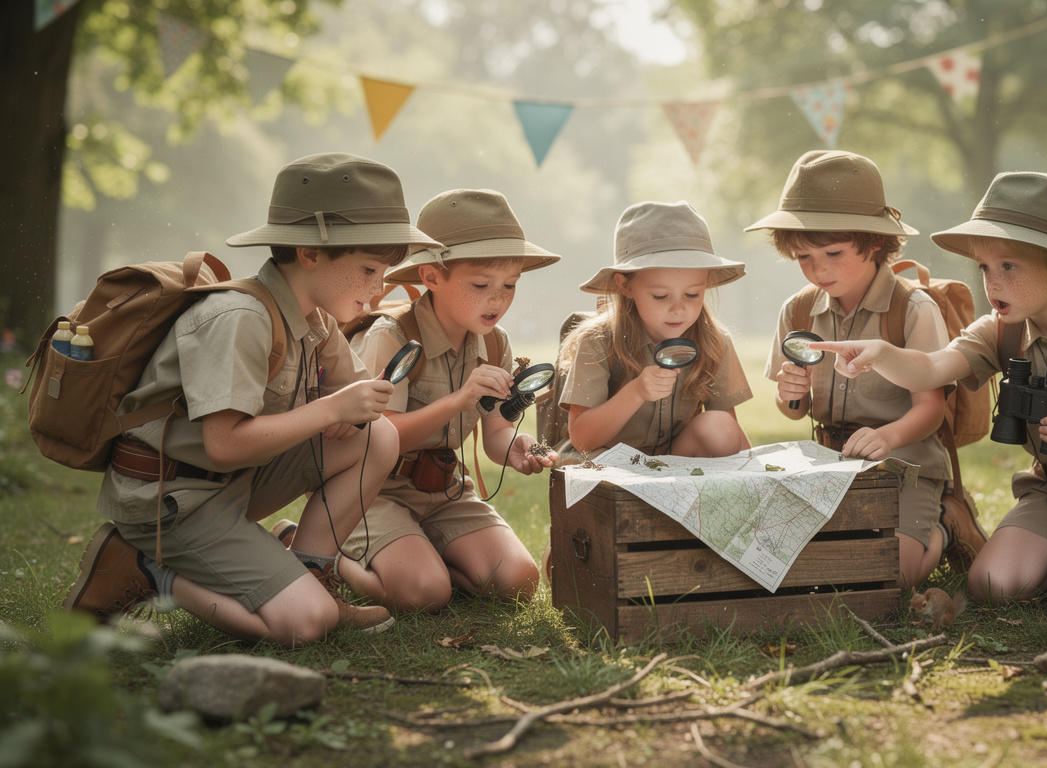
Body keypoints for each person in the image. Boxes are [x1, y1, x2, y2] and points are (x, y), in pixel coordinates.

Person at [63, 153, 442, 645]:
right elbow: (222, 444)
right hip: (173, 500)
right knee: (306, 626)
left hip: (234, 484)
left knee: (379, 438)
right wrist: (332, 409)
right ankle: (142, 568)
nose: (377, 290)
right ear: (310, 254)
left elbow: (361, 410)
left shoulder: (316, 320)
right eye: (369, 269)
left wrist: (355, 409)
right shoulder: (239, 316)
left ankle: (311, 571)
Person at [812, 171, 1047, 613]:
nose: (992, 283)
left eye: (1009, 266)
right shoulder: (1000, 332)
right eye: (985, 268)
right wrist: (881, 352)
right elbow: (932, 368)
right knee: (990, 585)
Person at [314, 189, 558, 612]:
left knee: (518, 581)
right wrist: (459, 399)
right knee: (423, 593)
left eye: (510, 285)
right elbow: (379, 437)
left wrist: (514, 450)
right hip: (374, 491)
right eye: (481, 284)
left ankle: (421, 554)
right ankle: (318, 554)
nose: (498, 299)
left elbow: (495, 433)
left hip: (444, 489)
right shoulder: (392, 337)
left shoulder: (495, 343)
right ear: (430, 277)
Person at [747, 149, 970, 589]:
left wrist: (887, 437)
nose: (818, 270)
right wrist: (790, 393)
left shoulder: (911, 308)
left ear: (874, 241)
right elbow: (793, 410)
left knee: (893, 577)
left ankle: (944, 524)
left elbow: (932, 409)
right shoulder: (798, 311)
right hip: (831, 461)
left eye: (832, 252)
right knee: (808, 566)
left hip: (905, 460)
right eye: (803, 257)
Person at [556, 200, 752, 462]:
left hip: (676, 464)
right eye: (661, 296)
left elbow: (729, 435)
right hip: (608, 465)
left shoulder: (715, 342)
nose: (678, 309)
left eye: (693, 294)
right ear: (625, 285)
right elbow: (581, 439)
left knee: (719, 425)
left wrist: (759, 478)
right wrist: (635, 392)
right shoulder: (598, 342)